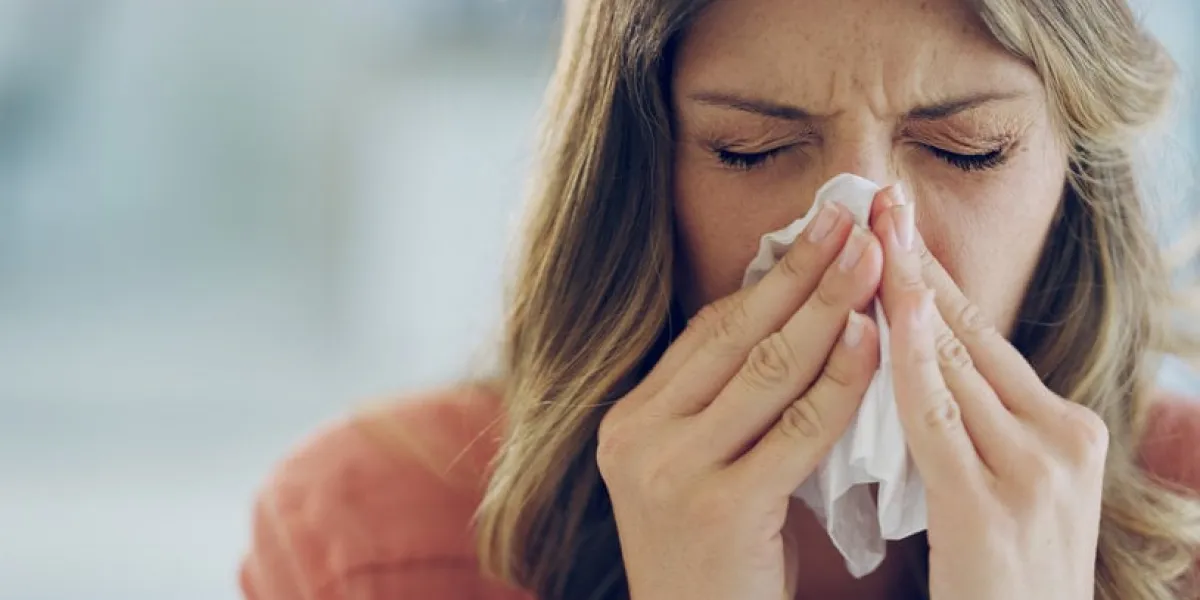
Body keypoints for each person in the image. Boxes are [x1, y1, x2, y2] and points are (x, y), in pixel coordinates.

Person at [238, 0, 1200, 598]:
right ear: (638, 172)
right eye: (752, 151)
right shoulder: (376, 539)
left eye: (968, 149)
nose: (868, 249)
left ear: (1076, 169)